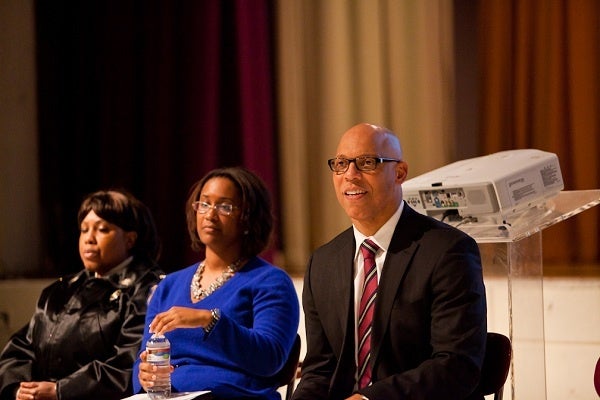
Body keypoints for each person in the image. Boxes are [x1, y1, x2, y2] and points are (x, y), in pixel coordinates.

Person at [291, 123, 487, 400]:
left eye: (367, 163)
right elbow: (320, 371)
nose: (351, 175)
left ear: (400, 172)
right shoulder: (323, 262)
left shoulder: (448, 251)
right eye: (341, 164)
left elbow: (456, 365)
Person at [133, 166, 300, 399]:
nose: (210, 215)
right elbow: (144, 357)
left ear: (248, 216)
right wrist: (145, 374)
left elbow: (269, 358)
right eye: (204, 204)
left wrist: (208, 320)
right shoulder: (169, 285)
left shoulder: (270, 282)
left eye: (224, 206)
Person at [0, 189, 164, 400]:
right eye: (84, 229)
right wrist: (19, 388)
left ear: (130, 239)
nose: (89, 239)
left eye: (102, 229)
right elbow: (21, 348)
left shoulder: (148, 289)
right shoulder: (61, 289)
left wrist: (60, 391)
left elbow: (130, 361)